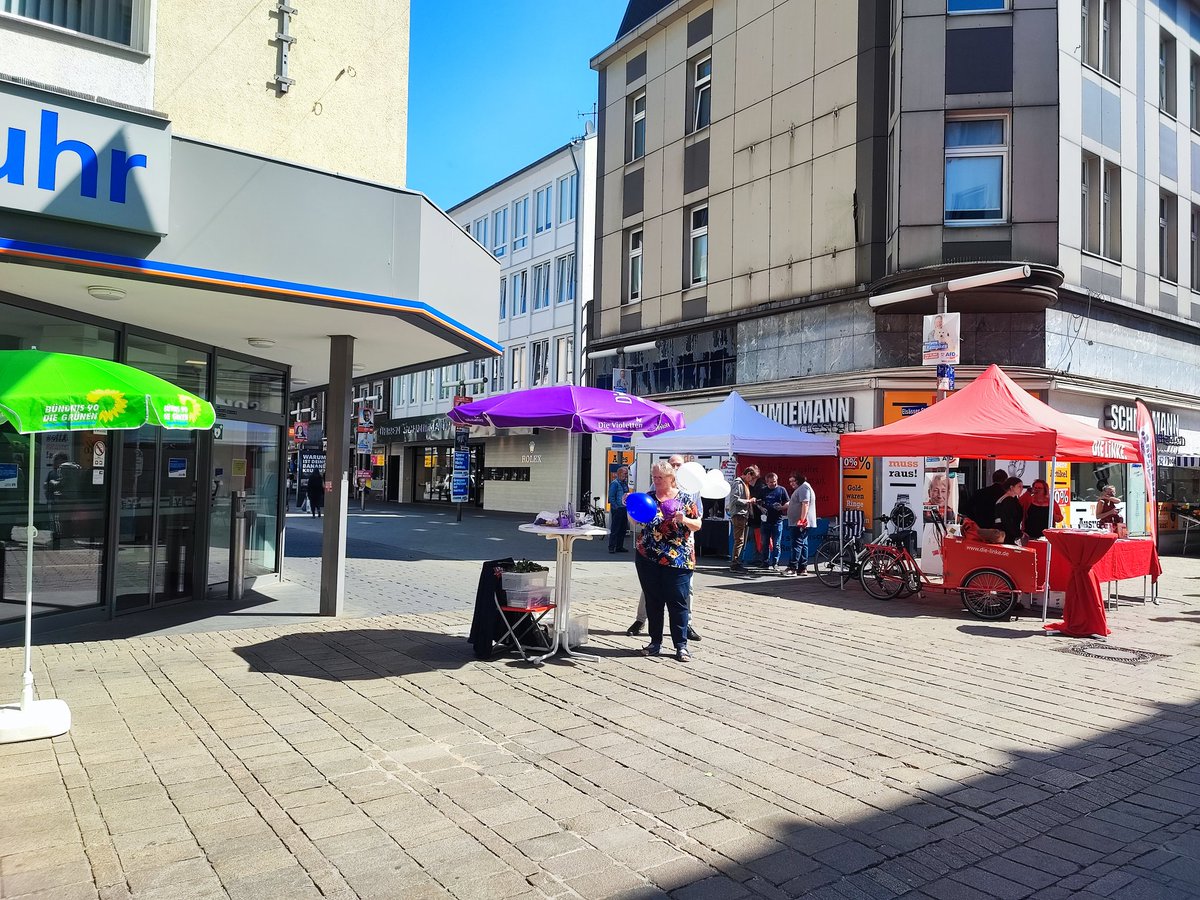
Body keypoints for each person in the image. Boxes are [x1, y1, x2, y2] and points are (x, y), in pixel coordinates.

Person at [633, 460, 702, 662]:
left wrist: (684, 519)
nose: (656, 480)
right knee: (653, 600)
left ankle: (681, 645)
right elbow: (635, 521)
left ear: (671, 478)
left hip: (678, 558)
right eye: (654, 477)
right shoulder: (648, 497)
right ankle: (655, 642)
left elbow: (697, 524)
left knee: (677, 601)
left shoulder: (685, 498)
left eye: (660, 477)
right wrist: (631, 506)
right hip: (648, 556)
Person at [784, 472, 816, 576]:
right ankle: (802, 568)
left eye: (793, 481)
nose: (791, 483)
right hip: (798, 522)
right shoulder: (802, 488)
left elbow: (805, 503)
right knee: (802, 544)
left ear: (799, 480)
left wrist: (802, 520)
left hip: (799, 523)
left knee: (796, 545)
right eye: (790, 482)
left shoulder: (804, 488)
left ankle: (793, 568)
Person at [758, 472, 789, 571]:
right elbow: (757, 502)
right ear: (767, 482)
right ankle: (765, 562)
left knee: (777, 544)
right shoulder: (763, 490)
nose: (773, 484)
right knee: (764, 543)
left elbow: (788, 502)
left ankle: (775, 563)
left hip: (777, 521)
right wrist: (761, 508)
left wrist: (782, 507)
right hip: (765, 521)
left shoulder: (781, 489)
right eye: (771, 482)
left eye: (775, 482)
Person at [729, 466, 757, 572]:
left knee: (741, 540)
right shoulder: (738, 483)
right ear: (748, 474)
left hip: (743, 514)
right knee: (739, 540)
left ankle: (737, 562)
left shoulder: (744, 484)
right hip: (738, 514)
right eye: (751, 478)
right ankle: (735, 564)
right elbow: (735, 500)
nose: (751, 480)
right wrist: (748, 501)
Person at [995, 477, 1024, 544]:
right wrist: (1018, 533)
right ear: (1011, 487)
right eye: (1019, 486)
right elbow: (1008, 520)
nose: (1022, 489)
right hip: (1008, 535)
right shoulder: (1009, 501)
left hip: (1002, 533)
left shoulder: (1001, 499)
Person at [607, 466, 630, 553]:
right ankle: (612, 547)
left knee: (623, 529)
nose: (626, 475)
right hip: (618, 508)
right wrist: (616, 507)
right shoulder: (615, 483)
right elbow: (611, 497)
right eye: (625, 473)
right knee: (615, 529)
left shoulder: (624, 483)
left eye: (626, 474)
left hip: (624, 508)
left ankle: (619, 546)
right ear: (619, 473)